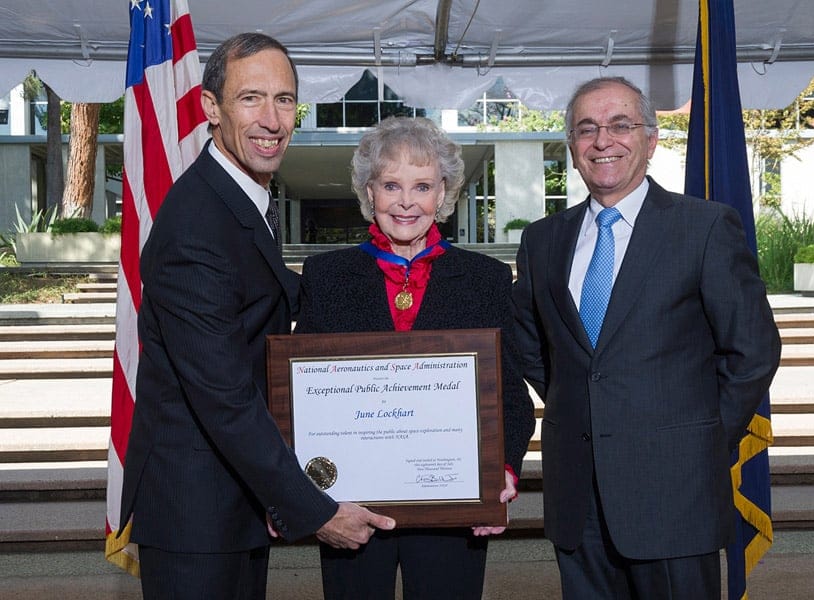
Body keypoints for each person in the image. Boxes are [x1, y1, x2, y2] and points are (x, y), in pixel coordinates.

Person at [117, 33, 393, 600]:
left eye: (284, 100)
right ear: (212, 108)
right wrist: (314, 508)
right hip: (195, 514)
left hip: (229, 501)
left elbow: (269, 311)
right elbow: (224, 397)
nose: (272, 119)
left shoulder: (242, 199)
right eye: (251, 98)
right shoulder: (197, 225)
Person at [512, 76, 781, 598]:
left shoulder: (704, 228)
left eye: (620, 125)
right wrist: (585, 404)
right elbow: (531, 342)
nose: (602, 141)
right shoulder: (543, 239)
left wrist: (699, 441)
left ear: (651, 139)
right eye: (586, 128)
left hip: (676, 492)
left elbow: (753, 351)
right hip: (578, 496)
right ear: (572, 145)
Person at [295, 116, 536, 599]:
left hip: (454, 506)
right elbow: (303, 399)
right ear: (369, 192)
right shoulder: (325, 277)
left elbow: (510, 397)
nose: (406, 202)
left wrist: (503, 471)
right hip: (351, 509)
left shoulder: (486, 279)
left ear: (442, 193)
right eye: (391, 185)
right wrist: (301, 496)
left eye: (422, 186)